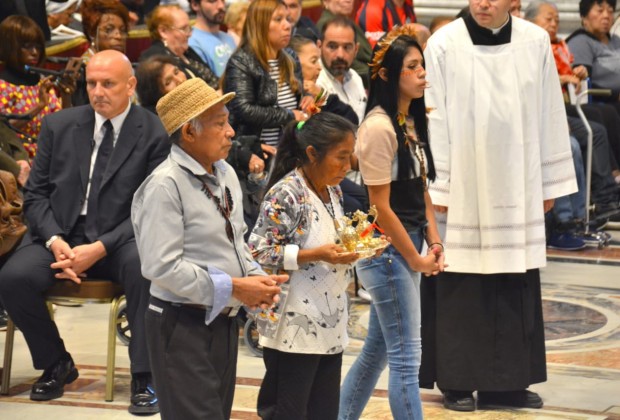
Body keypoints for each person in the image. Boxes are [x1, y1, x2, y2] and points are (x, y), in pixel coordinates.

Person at [421, 0, 577, 412]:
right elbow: (432, 118)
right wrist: (442, 186)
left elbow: (549, 110)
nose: (484, 3)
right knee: (462, 281)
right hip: (465, 184)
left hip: (517, 178)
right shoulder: (442, 44)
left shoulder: (536, 41)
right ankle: (456, 380)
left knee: (513, 278)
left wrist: (549, 178)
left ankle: (507, 382)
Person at [0, 50, 169, 415]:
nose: (97, 92)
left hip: (120, 240)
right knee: (13, 276)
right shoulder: (59, 125)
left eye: (107, 84)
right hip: (59, 236)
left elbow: (150, 208)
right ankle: (56, 362)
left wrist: (100, 248)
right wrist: (55, 241)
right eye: (91, 83)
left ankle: (145, 375)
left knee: (145, 268)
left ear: (130, 85)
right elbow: (37, 195)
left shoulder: (153, 130)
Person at [132, 78, 288, 420]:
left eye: (228, 121)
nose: (231, 132)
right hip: (180, 322)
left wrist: (258, 281)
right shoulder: (165, 185)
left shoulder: (226, 172)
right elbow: (161, 267)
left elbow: (236, 242)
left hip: (222, 320)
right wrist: (235, 287)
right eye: (220, 124)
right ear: (189, 132)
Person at [339, 27, 443, 420]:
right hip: (385, 250)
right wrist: (415, 259)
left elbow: (420, 188)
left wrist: (433, 239)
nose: (422, 74)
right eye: (412, 67)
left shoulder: (408, 120)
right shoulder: (379, 128)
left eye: (422, 66)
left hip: (408, 242)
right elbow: (379, 207)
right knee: (405, 358)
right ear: (388, 75)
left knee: (378, 352)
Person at [248, 112, 359, 420]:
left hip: (329, 318)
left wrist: (357, 247)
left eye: (350, 157)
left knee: (323, 411)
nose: (348, 167)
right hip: (292, 321)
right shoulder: (287, 193)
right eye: (341, 157)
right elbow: (258, 250)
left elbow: (333, 241)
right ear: (312, 153)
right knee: (289, 412)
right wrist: (315, 254)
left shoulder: (333, 190)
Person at [0, 15, 74, 157]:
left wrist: (66, 96)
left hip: (51, 154)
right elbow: (3, 131)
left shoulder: (42, 82)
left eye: (38, 46)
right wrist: (39, 106)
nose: (35, 52)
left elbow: (63, 125)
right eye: (27, 46)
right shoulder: (3, 86)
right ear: (9, 47)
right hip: (19, 158)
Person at [140, 4, 220, 90]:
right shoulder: (154, 58)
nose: (190, 34)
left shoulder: (187, 52)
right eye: (184, 29)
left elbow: (214, 80)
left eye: (189, 28)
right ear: (163, 31)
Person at [567, 0, 620, 109]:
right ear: (584, 16)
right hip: (603, 105)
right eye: (600, 11)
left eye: (610, 11)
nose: (606, 16)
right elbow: (583, 84)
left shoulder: (616, 40)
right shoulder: (580, 41)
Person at [317, 16, 368, 125]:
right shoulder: (315, 83)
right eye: (332, 46)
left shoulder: (355, 77)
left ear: (356, 50)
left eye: (347, 47)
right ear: (319, 47)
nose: (340, 55)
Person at [317, 0, 372, 87]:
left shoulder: (347, 22)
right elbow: (345, 63)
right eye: (333, 46)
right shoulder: (326, 25)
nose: (348, 1)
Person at [188, 0, 237, 78]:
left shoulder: (228, 37)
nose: (221, 6)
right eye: (212, 1)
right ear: (195, 5)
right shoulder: (191, 42)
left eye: (223, 0)